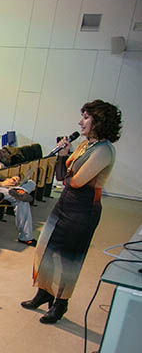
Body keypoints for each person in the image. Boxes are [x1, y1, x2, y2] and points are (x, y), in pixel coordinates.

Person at [23, 100, 121, 324]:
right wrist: (62, 155)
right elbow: (63, 177)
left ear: (99, 121)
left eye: (85, 117)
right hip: (65, 204)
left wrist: (67, 170)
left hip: (83, 210)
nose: (80, 121)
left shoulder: (105, 150)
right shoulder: (86, 145)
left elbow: (76, 181)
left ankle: (60, 303)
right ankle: (44, 291)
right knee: (44, 248)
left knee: (68, 259)